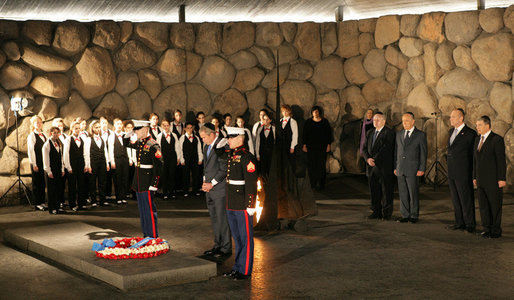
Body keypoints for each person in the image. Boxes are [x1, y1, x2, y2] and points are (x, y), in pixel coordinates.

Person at [222, 127, 258, 280]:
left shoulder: (246, 157)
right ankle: (237, 267)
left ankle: (245, 270)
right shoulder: (232, 155)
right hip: (232, 202)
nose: (228, 140)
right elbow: (218, 148)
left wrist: (250, 205)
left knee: (245, 238)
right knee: (237, 238)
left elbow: (251, 183)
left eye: (231, 137)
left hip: (242, 203)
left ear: (240, 138)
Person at [123, 120, 163, 238]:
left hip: (148, 182)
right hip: (139, 181)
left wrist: (154, 184)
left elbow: (159, 167)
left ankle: (153, 236)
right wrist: (130, 132)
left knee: (149, 210)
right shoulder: (140, 143)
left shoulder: (153, 145)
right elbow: (126, 142)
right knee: (142, 210)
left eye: (137, 130)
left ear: (146, 129)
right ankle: (146, 234)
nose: (135, 132)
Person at [199, 123, 231, 259]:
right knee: (214, 219)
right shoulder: (207, 146)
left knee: (222, 219)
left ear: (212, 134)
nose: (203, 140)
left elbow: (224, 169)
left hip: (219, 189)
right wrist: (205, 182)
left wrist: (211, 184)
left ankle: (226, 248)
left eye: (204, 137)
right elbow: (207, 168)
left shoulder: (222, 146)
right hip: (210, 189)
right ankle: (217, 245)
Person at [473, 115, 506, 239]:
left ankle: (495, 230)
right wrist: (474, 176)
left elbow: (501, 160)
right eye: (477, 125)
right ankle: (486, 228)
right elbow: (475, 160)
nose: (478, 127)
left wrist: (502, 178)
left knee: (495, 205)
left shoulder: (496, 140)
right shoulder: (477, 140)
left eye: (480, 125)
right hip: (481, 179)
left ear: (487, 125)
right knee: (483, 206)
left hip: (493, 180)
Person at [446, 108, 476, 233]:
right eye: (450, 117)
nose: (450, 119)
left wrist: (473, 174)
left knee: (466, 198)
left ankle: (470, 223)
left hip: (463, 171)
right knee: (456, 198)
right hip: (452, 171)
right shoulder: (451, 132)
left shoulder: (470, 133)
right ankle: (459, 222)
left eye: (453, 117)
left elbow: (472, 155)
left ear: (461, 118)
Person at [394, 112, 427, 223]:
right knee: (403, 193)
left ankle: (414, 215)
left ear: (413, 121)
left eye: (407, 120)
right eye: (403, 121)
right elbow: (396, 152)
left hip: (413, 169)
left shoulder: (420, 135)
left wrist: (422, 168)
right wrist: (395, 166)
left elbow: (423, 153)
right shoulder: (399, 134)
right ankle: (405, 215)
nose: (404, 123)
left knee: (413, 193)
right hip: (400, 168)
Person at [362, 112, 395, 220]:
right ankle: (376, 211)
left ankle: (386, 213)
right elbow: (364, 148)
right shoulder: (370, 132)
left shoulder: (389, 132)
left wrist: (374, 159)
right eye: (374, 120)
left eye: (378, 120)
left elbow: (386, 149)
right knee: (374, 190)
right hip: (371, 167)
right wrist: (367, 159)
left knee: (386, 191)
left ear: (384, 121)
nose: (375, 122)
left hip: (383, 167)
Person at [302, 106, 333, 190]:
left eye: (317, 112)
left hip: (322, 147)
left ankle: (321, 184)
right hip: (311, 147)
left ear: (319, 112)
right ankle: (312, 183)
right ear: (312, 113)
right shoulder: (308, 122)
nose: (316, 113)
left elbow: (328, 134)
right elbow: (305, 134)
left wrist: (328, 145)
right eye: (314, 112)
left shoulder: (324, 122)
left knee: (321, 165)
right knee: (312, 165)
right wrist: (304, 144)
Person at [84, 120, 110, 207]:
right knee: (92, 182)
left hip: (102, 162)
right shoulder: (88, 139)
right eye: (96, 127)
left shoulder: (102, 138)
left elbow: (105, 151)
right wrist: (88, 165)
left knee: (102, 181)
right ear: (92, 128)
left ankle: (103, 200)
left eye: (99, 127)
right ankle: (93, 200)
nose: (98, 129)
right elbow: (86, 153)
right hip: (93, 162)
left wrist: (107, 163)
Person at [63, 121, 88, 211]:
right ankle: (72, 204)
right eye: (76, 128)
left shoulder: (82, 139)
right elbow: (66, 154)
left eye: (79, 128)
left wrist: (86, 165)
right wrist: (68, 167)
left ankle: (81, 203)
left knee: (81, 185)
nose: (77, 130)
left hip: (81, 165)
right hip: (72, 165)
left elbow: (85, 153)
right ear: (72, 129)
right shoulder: (68, 139)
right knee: (72, 186)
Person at [42, 126, 65, 215]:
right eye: (54, 133)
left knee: (58, 189)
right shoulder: (47, 144)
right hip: (51, 170)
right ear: (50, 133)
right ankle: (52, 208)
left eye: (57, 133)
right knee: (51, 190)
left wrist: (62, 169)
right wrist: (48, 171)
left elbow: (61, 157)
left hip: (58, 169)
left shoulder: (59, 143)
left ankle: (58, 206)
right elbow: (46, 160)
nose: (56, 134)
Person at [156, 119, 181, 199]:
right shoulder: (159, 136)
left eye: (167, 125)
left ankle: (172, 192)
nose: (166, 127)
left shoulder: (174, 135)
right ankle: (165, 192)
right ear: (162, 126)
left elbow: (177, 147)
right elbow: (158, 149)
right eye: (164, 125)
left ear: (169, 126)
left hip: (173, 158)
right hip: (164, 158)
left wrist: (178, 158)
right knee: (164, 175)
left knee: (172, 174)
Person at [27, 116, 47, 211]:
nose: (39, 124)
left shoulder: (43, 135)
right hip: (36, 162)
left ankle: (42, 201)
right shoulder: (32, 136)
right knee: (37, 183)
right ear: (33, 124)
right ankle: (37, 203)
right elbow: (31, 151)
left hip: (43, 162)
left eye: (40, 122)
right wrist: (34, 164)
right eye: (37, 122)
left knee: (42, 182)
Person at [178, 122, 203, 197]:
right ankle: (185, 191)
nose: (189, 129)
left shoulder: (196, 138)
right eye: (188, 128)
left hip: (195, 159)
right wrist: (181, 159)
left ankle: (195, 190)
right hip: (186, 159)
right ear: (185, 129)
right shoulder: (182, 138)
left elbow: (199, 149)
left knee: (196, 175)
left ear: (193, 128)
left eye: (191, 128)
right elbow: (180, 150)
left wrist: (200, 158)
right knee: (185, 175)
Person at [109, 118, 130, 205]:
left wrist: (130, 158)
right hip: (116, 159)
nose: (119, 125)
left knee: (125, 177)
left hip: (125, 159)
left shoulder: (125, 135)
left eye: (120, 124)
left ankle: (123, 196)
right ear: (114, 125)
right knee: (118, 178)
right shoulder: (111, 136)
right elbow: (110, 150)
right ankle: (118, 197)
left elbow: (128, 148)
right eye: (117, 124)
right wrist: (112, 161)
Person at [279, 104, 298, 173]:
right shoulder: (280, 121)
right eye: (283, 111)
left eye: (286, 111)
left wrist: (292, 146)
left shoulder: (293, 121)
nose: (284, 113)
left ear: (289, 111)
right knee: (282, 164)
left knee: (290, 164)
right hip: (281, 146)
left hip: (289, 145)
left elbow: (295, 135)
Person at [100, 117, 114, 202]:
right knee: (102, 178)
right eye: (102, 123)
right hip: (100, 158)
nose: (104, 124)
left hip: (109, 157)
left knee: (109, 177)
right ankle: (102, 195)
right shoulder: (98, 134)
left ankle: (108, 194)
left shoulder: (111, 133)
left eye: (105, 123)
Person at [123, 120, 136, 200]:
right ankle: (126, 193)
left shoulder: (135, 136)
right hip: (126, 159)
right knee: (126, 177)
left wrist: (133, 160)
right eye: (128, 128)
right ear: (125, 129)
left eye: (131, 128)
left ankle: (134, 193)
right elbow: (127, 149)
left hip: (134, 160)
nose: (129, 129)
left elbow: (134, 149)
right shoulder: (124, 137)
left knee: (134, 177)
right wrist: (130, 159)